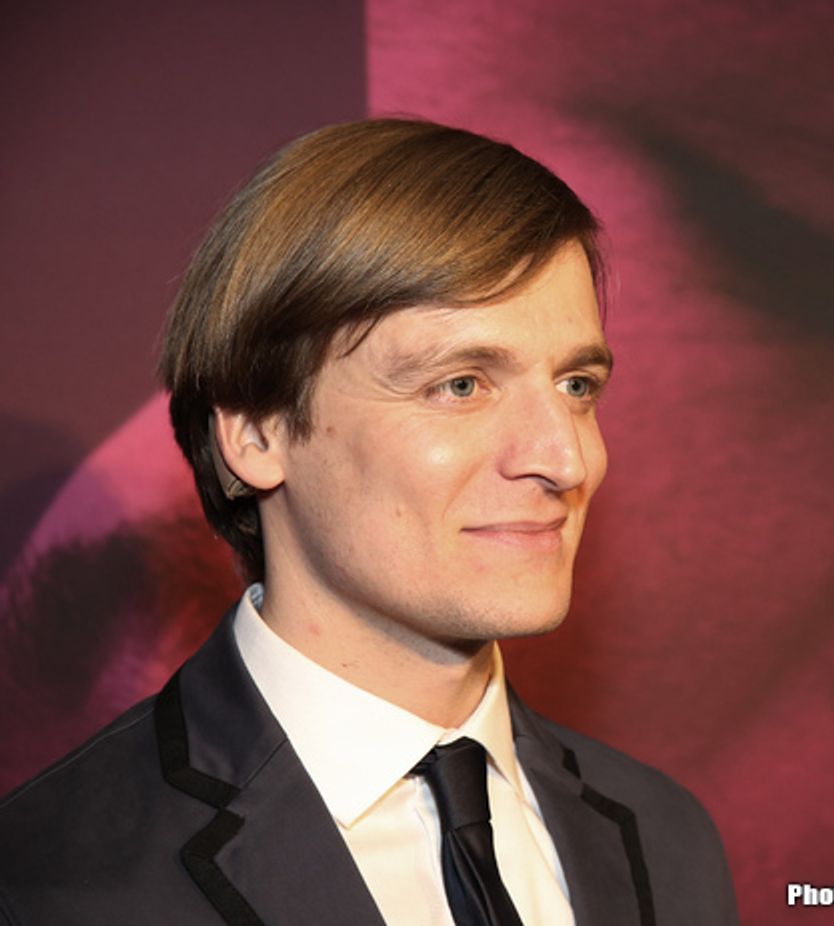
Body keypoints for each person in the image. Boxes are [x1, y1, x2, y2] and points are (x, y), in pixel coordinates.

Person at [0, 119, 738, 926]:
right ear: (256, 433)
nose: (565, 459)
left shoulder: (665, 839)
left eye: (576, 386)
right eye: (461, 385)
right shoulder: (49, 884)